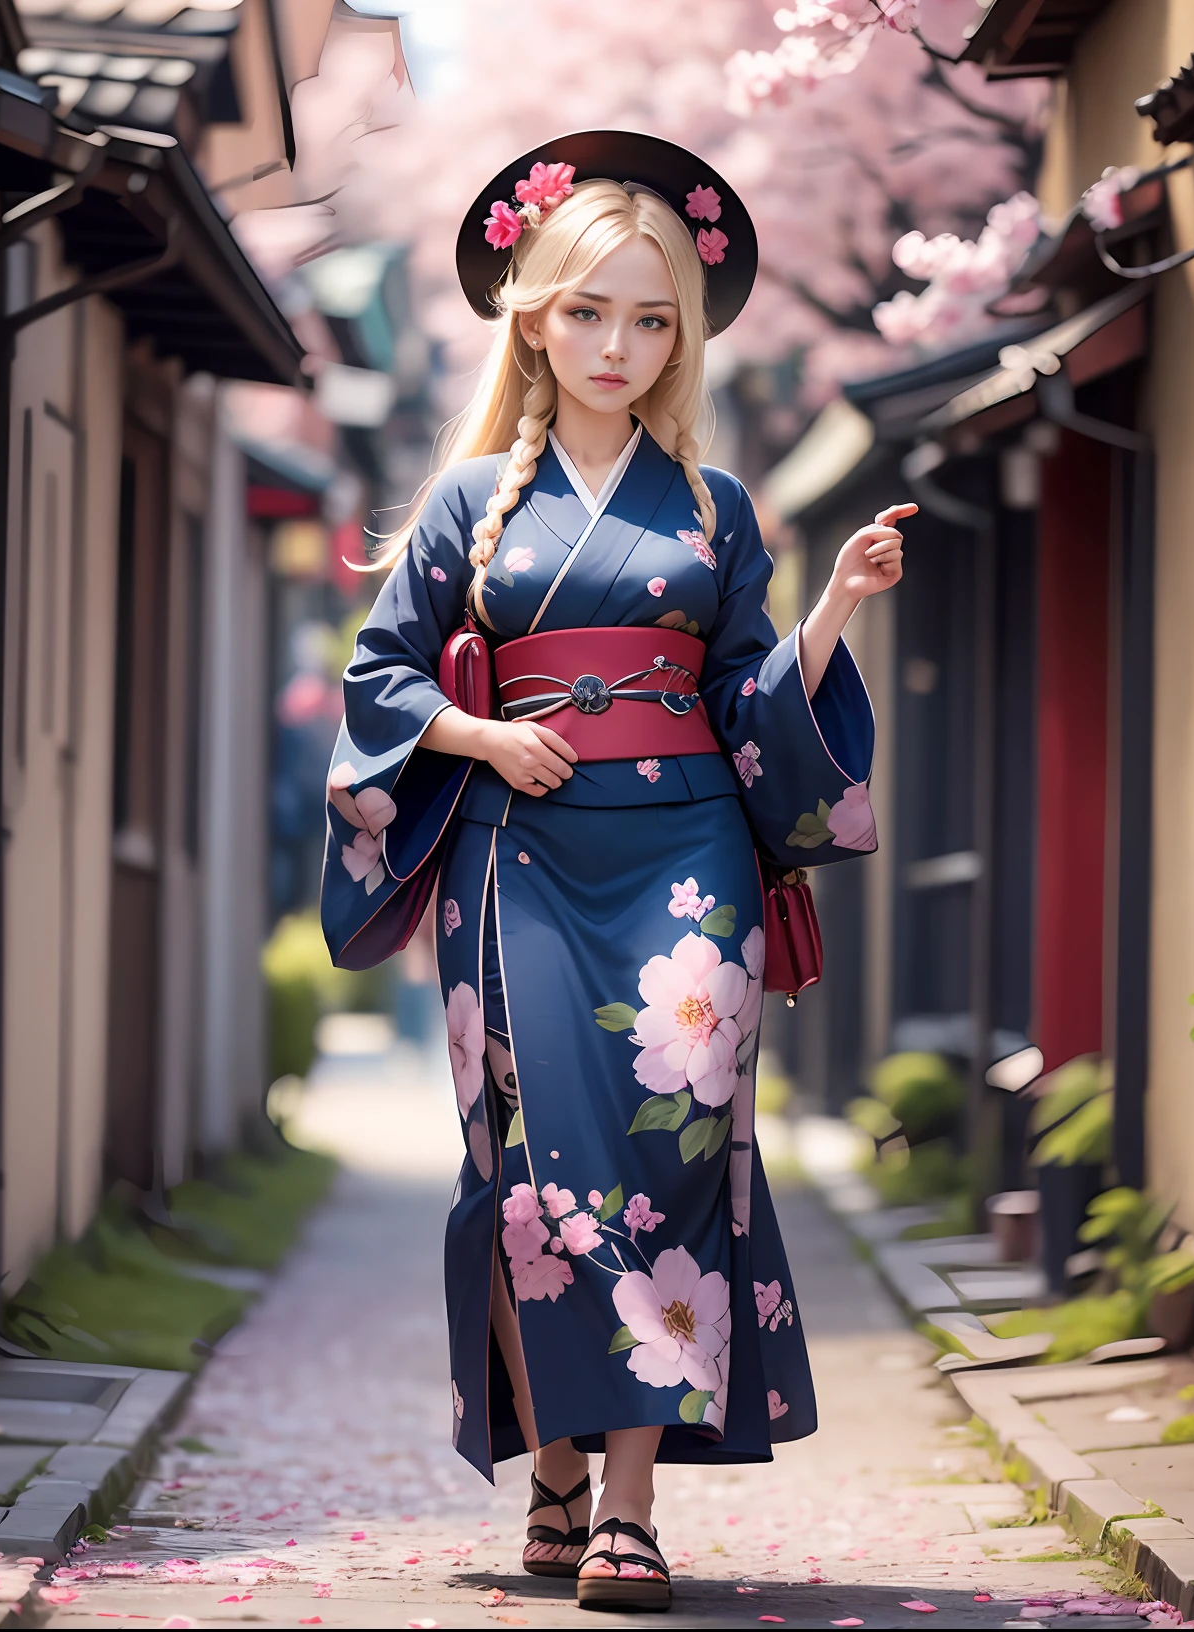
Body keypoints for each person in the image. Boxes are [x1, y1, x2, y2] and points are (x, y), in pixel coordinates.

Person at [318, 131, 910, 1613]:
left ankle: (628, 1510)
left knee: (669, 1157)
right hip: (517, 859)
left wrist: (831, 606)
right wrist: (484, 738)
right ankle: (557, 1468)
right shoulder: (468, 506)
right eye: (588, 312)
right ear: (530, 312)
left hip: (687, 860)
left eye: (652, 320)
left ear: (682, 337)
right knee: (527, 1172)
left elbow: (756, 703)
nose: (618, 346)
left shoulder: (716, 509)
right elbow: (381, 677)